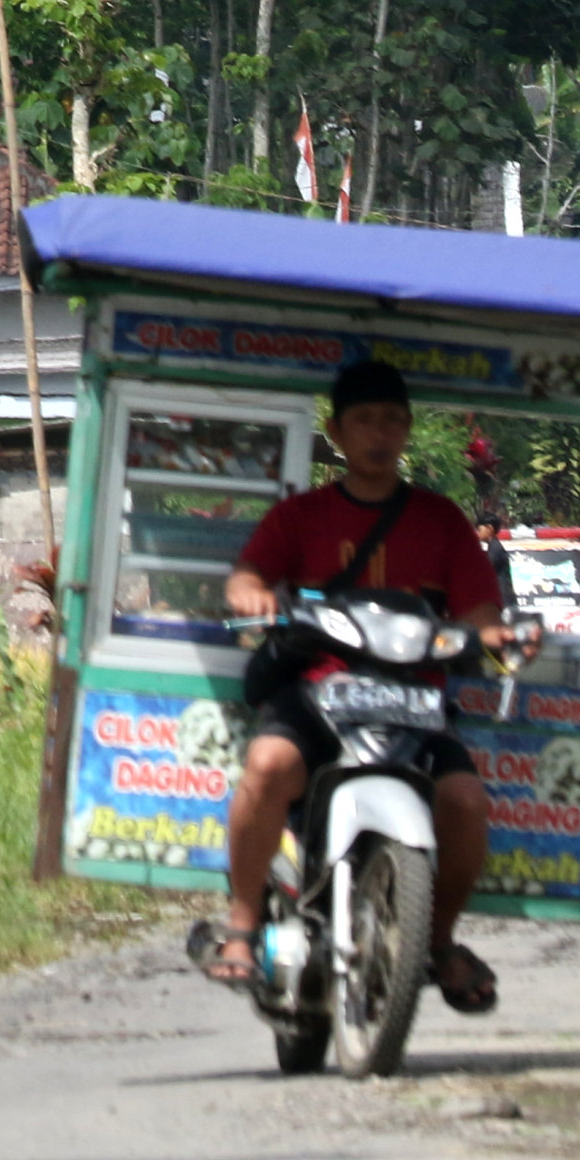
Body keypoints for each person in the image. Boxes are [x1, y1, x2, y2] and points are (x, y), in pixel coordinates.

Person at [194, 359, 518, 1017]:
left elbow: (481, 612)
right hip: (318, 695)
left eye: (393, 421)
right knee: (266, 764)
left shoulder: (442, 520)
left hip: (414, 702)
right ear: (336, 431)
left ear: (407, 431)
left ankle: (439, 940)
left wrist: (494, 636)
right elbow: (245, 579)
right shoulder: (299, 516)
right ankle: (242, 920)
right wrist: (254, 597)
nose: (380, 434)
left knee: (463, 801)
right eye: (365, 420)